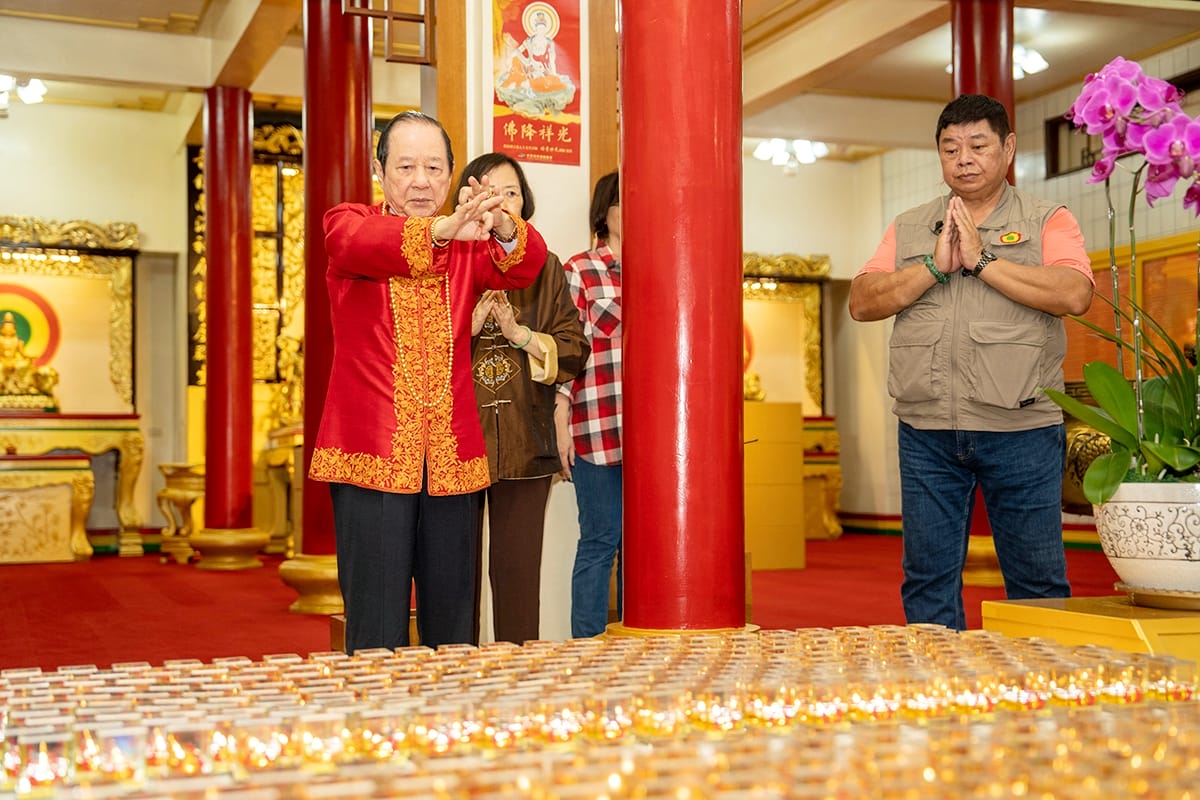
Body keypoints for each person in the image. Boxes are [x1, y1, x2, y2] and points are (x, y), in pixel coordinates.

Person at [848, 94, 1096, 630]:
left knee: (1036, 580)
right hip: (926, 428)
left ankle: (1045, 698)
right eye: (950, 148)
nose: (964, 158)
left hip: (1022, 427)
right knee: (927, 578)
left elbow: (1075, 293)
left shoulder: (1047, 218)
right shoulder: (911, 226)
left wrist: (982, 260)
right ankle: (942, 694)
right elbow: (862, 301)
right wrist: (933, 269)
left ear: (1007, 148)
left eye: (978, 145)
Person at [310, 112, 549, 653]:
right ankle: (378, 728)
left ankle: (450, 728)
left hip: (453, 460)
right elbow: (356, 244)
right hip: (370, 455)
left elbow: (525, 267)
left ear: (450, 177)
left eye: (434, 167)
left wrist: (504, 222)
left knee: (453, 623)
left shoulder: (469, 244)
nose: (421, 180)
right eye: (406, 166)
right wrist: (444, 229)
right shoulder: (348, 223)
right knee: (376, 623)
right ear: (380, 170)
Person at [457, 153, 590, 644]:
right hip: (457, 443)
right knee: (454, 580)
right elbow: (414, 346)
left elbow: (574, 348)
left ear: (523, 204)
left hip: (525, 442)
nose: (498, 202)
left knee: (517, 580)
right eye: (486, 191)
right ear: (467, 203)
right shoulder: (447, 262)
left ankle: (516, 685)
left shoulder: (547, 267)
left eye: (509, 193)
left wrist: (520, 334)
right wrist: (464, 328)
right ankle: (455, 681)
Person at [557, 171, 622, 638]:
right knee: (600, 541)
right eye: (625, 201)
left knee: (644, 547)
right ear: (605, 211)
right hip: (596, 424)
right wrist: (559, 421)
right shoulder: (579, 268)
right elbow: (567, 352)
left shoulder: (664, 265)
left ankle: (640, 644)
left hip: (654, 432)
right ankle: (586, 649)